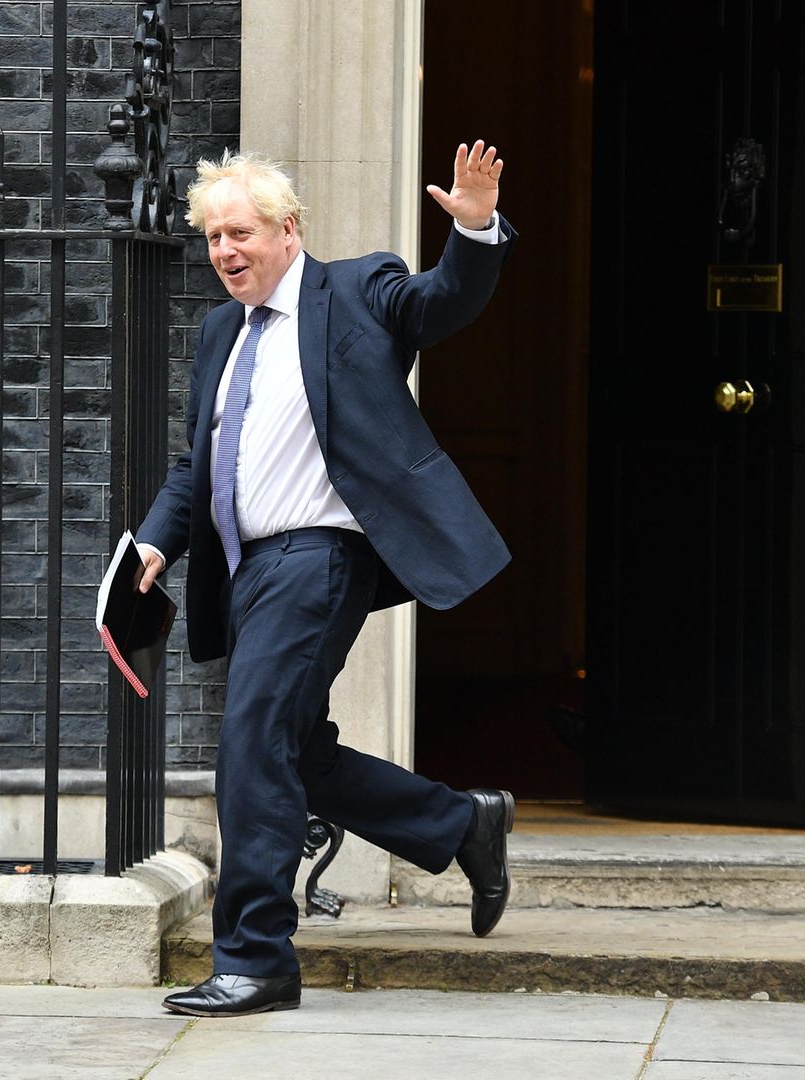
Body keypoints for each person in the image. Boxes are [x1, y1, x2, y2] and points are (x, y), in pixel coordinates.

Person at [133, 142, 517, 1018]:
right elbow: (195, 465)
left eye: (240, 233)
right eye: (213, 238)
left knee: (250, 739)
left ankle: (258, 957)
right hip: (248, 568)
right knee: (291, 752)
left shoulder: (356, 289)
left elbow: (442, 301)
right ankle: (463, 824)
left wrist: (474, 229)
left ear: (287, 229)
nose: (225, 251)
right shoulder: (219, 331)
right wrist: (156, 543)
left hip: (321, 555)